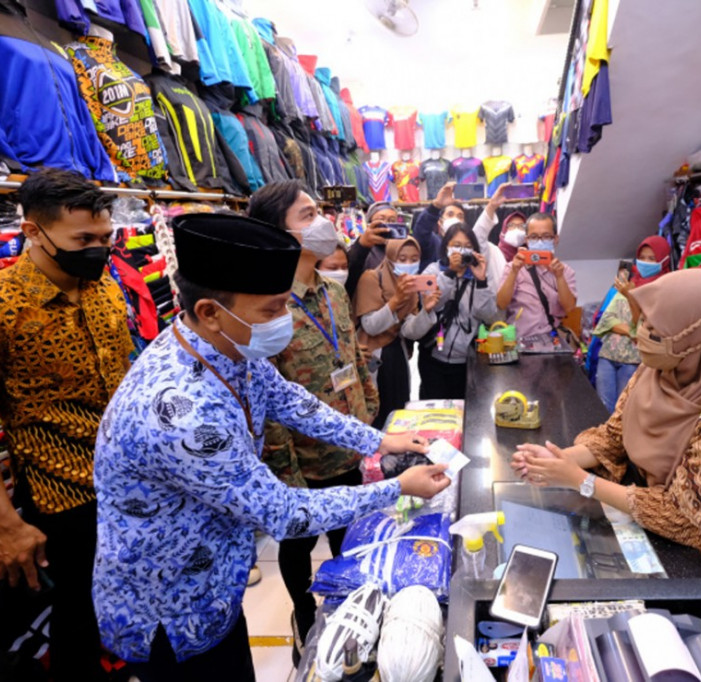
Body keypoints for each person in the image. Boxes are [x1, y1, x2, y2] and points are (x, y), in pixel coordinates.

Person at [92, 213, 450, 681]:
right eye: (272, 309)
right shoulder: (181, 410)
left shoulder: (223, 346)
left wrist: (380, 439)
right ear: (210, 311)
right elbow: (283, 513)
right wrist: (397, 487)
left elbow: (293, 401)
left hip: (215, 586)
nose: (284, 320)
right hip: (170, 610)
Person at [0, 168, 134, 682]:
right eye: (83, 240)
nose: (98, 248)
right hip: (65, 500)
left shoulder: (103, 288)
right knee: (77, 623)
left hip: (133, 486)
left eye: (105, 237)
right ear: (32, 232)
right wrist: (6, 525)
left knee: (130, 607)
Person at [513, 269, 701, 579]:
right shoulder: (654, 372)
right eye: (643, 322)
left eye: (656, 332)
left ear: (698, 339)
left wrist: (581, 480)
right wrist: (557, 460)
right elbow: (613, 437)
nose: (641, 335)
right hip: (642, 536)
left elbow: (685, 517)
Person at [247, 180, 380, 662]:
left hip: (347, 447)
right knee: (298, 551)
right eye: (307, 215)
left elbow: (354, 355)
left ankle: (354, 618)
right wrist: (288, 476)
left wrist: (369, 415)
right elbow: (266, 400)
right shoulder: (266, 306)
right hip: (300, 464)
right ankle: (305, 622)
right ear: (277, 231)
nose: (322, 222)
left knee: (353, 544)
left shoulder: (331, 290)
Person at [354, 237, 440, 428]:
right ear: (391, 257)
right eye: (402, 258)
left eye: (414, 259)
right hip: (373, 355)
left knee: (398, 410)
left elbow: (410, 331)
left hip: (397, 355)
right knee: (376, 412)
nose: (408, 264)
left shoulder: (410, 287)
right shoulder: (371, 278)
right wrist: (396, 300)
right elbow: (370, 326)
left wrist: (426, 311)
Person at [419, 223, 503, 399]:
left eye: (467, 246)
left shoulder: (478, 275)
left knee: (463, 410)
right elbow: (431, 304)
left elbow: (487, 315)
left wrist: (481, 281)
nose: (461, 250)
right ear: (446, 246)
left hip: (467, 360)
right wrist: (450, 273)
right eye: (456, 245)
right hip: (433, 356)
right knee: (435, 409)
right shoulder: (433, 271)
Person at [592, 236, 673, 411]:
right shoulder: (627, 282)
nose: (645, 262)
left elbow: (644, 327)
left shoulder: (664, 289)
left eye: (652, 259)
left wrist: (630, 297)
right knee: (602, 407)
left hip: (635, 361)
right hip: (608, 355)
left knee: (625, 410)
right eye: (642, 257)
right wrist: (630, 330)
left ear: (664, 260)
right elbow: (605, 319)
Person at [495, 212, 577, 339]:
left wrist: (559, 277)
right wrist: (514, 272)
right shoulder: (514, 267)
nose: (539, 241)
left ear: (555, 239)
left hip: (550, 340)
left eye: (546, 236)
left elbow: (570, 308)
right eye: (534, 237)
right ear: (526, 240)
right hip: (519, 341)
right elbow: (501, 304)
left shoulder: (565, 271)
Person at [413, 182, 506, 285]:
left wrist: (491, 207)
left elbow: (480, 232)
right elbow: (421, 231)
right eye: (450, 214)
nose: (455, 219)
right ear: (440, 221)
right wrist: (436, 206)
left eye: (460, 216)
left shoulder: (470, 244)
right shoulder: (432, 242)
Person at [344, 201, 397, 297]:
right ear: (369, 223)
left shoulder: (400, 248)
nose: (387, 224)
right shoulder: (362, 248)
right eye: (381, 219)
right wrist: (362, 246)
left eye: (392, 220)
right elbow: (350, 275)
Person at [472, 182, 527, 264]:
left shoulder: (532, 255)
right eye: (511, 225)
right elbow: (477, 237)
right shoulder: (494, 254)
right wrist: (492, 206)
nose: (516, 229)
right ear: (504, 230)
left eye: (521, 226)